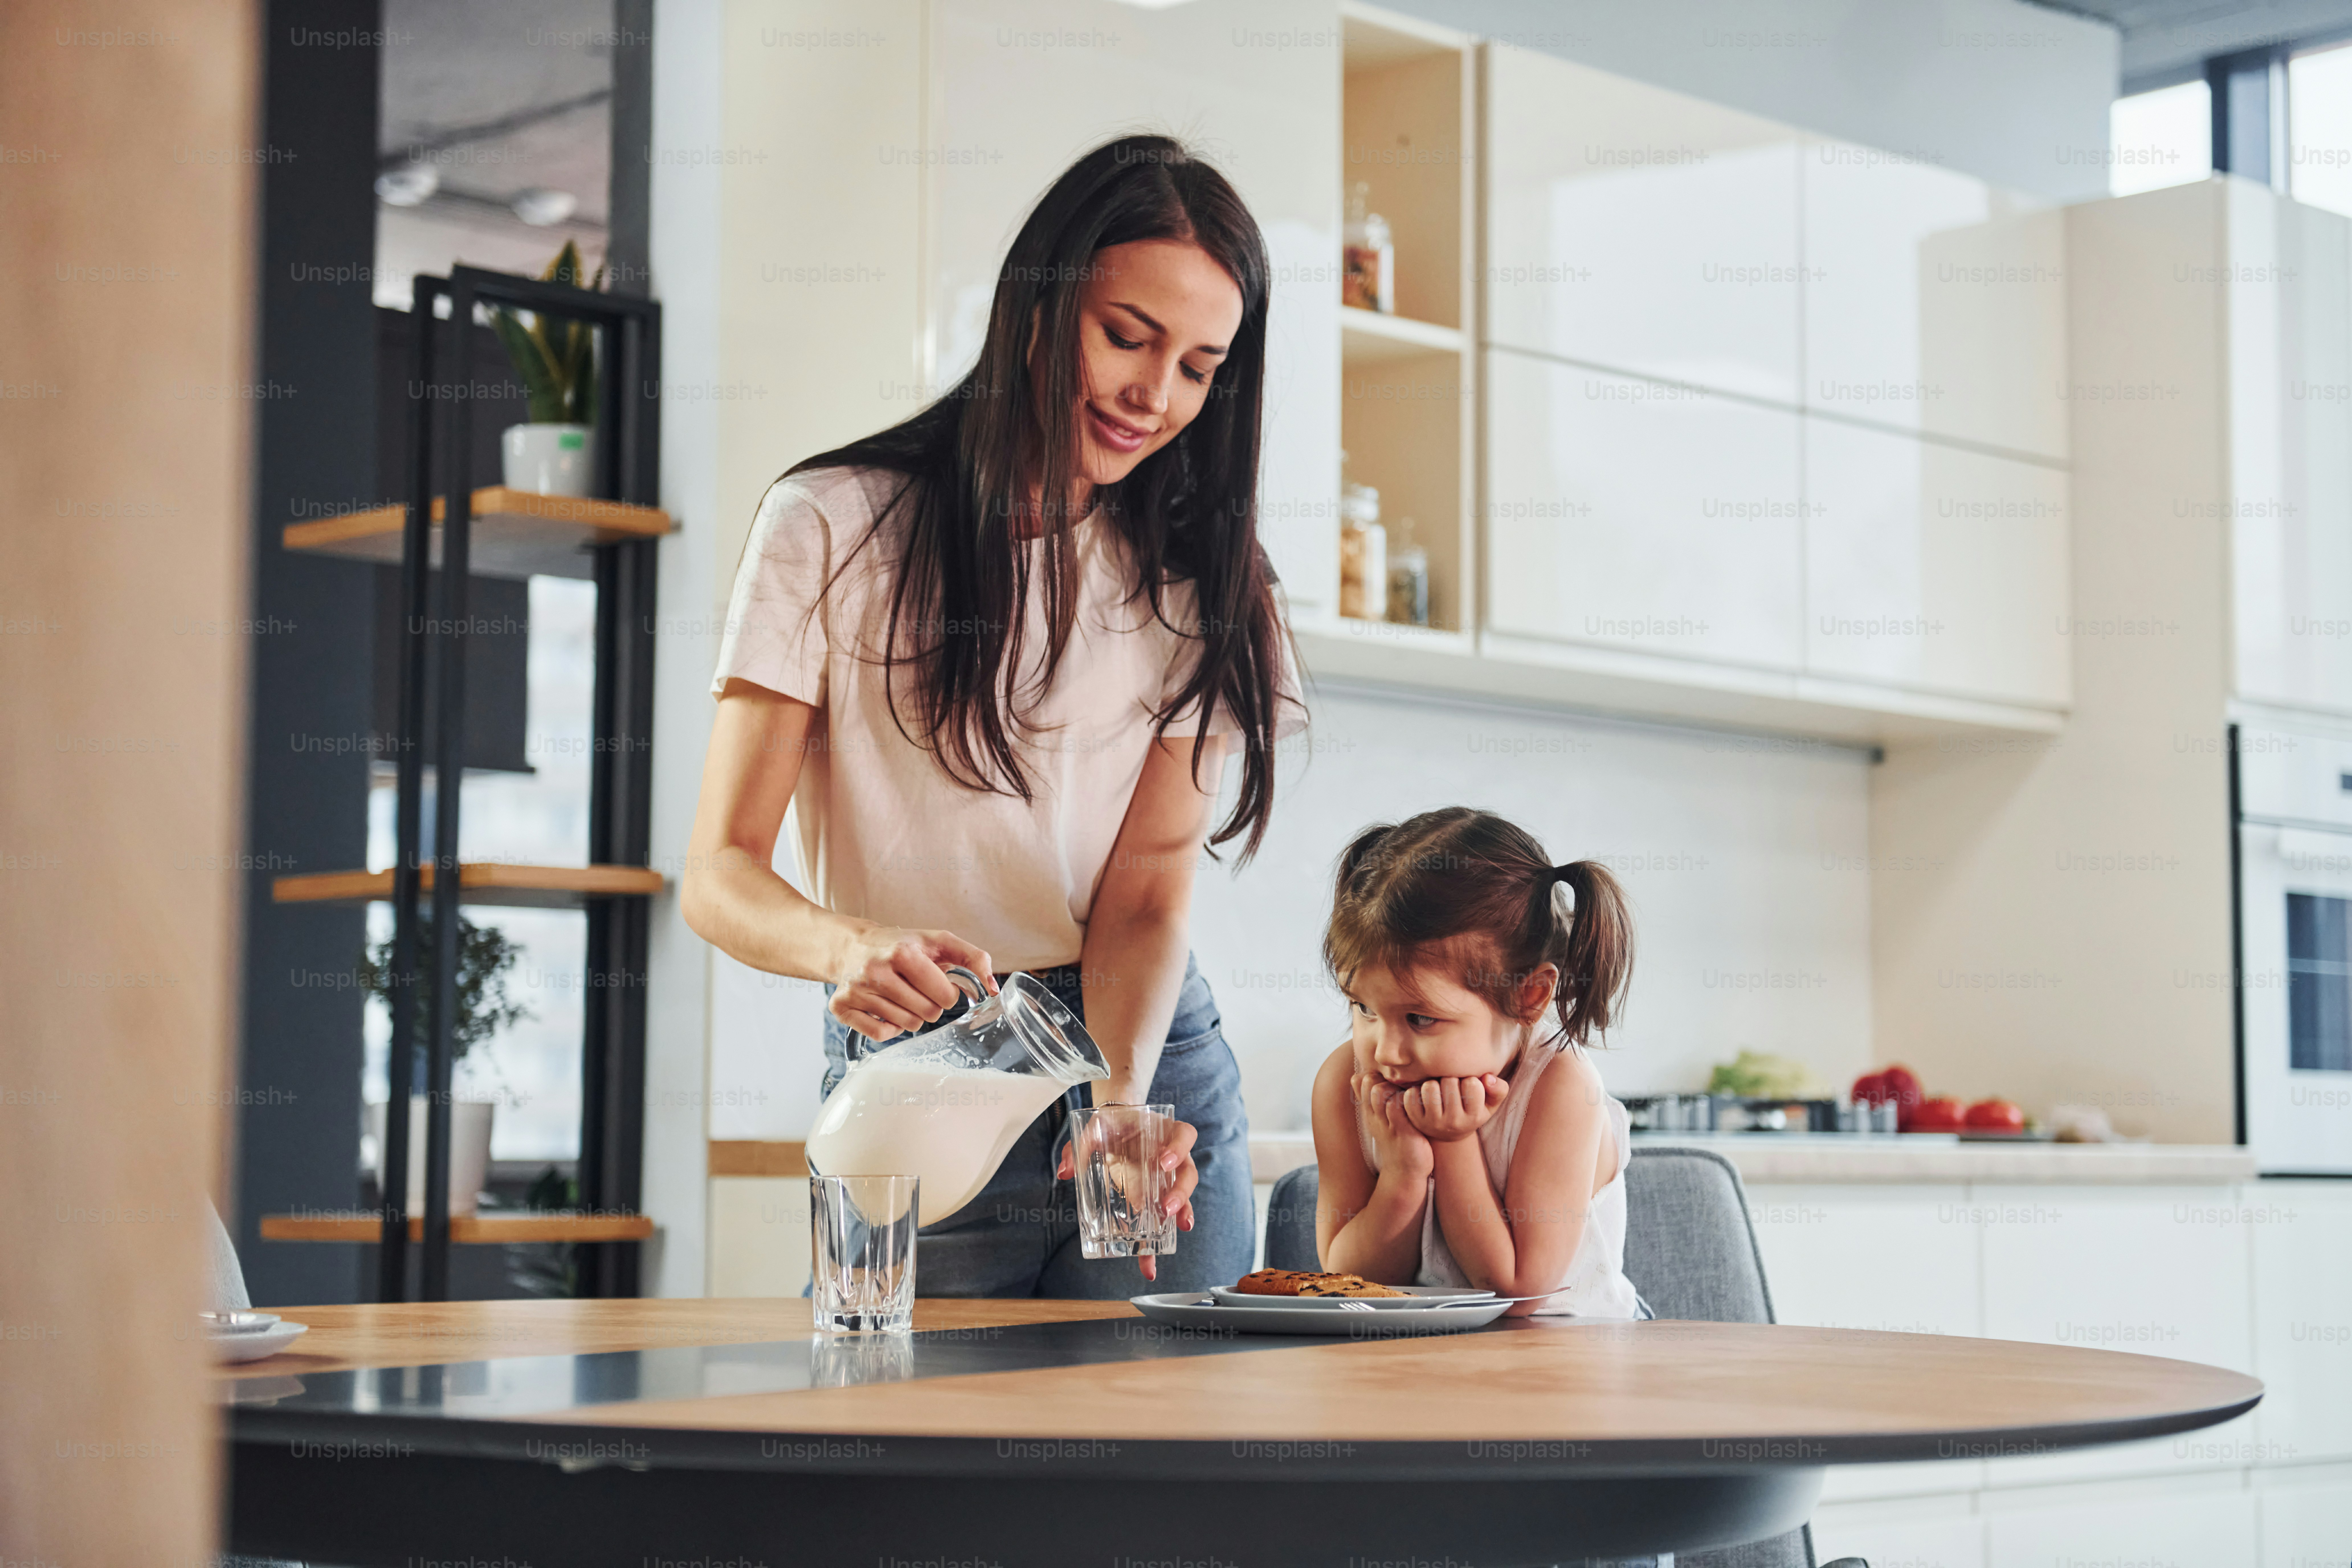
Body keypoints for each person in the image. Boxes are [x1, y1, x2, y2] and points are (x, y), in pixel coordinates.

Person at [682, 134, 1303, 1294]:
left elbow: (1150, 885)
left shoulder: (1201, 583)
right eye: (1126, 336)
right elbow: (717, 871)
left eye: (1199, 366)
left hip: (1137, 1053)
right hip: (922, 1063)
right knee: (911, 1450)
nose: (1153, 396)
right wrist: (849, 946)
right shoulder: (831, 525)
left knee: (1158, 1454)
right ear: (1037, 304)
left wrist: (1121, 1099)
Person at [1309, 807, 1643, 1318]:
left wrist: (1452, 1142)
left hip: (1569, 1361)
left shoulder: (1560, 1087)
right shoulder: (1345, 1083)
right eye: (1364, 1008)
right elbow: (1350, 1283)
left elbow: (1519, 1293)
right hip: (1418, 1364)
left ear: (1530, 996)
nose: (1385, 1050)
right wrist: (1404, 1174)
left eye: (1420, 1019)